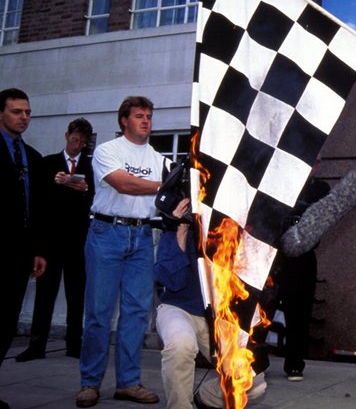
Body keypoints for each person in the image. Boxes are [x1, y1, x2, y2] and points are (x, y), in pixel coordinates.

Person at [76, 96, 165, 408]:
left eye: (149, 116)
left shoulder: (158, 158)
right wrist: (163, 185)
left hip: (142, 236)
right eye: (139, 115)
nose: (146, 121)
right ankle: (90, 383)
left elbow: (174, 195)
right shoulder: (106, 151)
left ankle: (128, 382)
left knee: (137, 314)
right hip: (106, 234)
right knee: (99, 314)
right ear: (124, 120)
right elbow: (123, 183)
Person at [155, 198, 266, 409]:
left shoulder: (236, 233)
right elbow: (172, 281)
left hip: (220, 318)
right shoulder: (180, 226)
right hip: (179, 308)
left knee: (255, 384)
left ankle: (205, 398)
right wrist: (181, 229)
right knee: (181, 344)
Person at [16, 118, 94, 362]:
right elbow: (37, 203)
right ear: (66, 136)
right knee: (44, 294)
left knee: (76, 294)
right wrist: (37, 246)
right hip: (50, 243)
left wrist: (83, 189)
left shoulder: (91, 167)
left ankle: (74, 345)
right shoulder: (47, 163)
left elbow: (95, 200)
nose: (77, 144)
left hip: (78, 243)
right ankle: (36, 346)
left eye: (82, 142)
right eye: (74, 139)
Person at [0, 87, 47, 409]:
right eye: (17, 111)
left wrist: (38, 250)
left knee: (6, 324)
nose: (24, 117)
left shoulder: (31, 156)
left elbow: (37, 208)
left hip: (20, 255)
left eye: (28, 112)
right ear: (1, 113)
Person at [272, 166, 330, 382]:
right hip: (272, 253)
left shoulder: (319, 188)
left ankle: (295, 363)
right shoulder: (278, 183)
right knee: (262, 307)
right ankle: (253, 359)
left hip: (301, 256)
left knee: (299, 311)